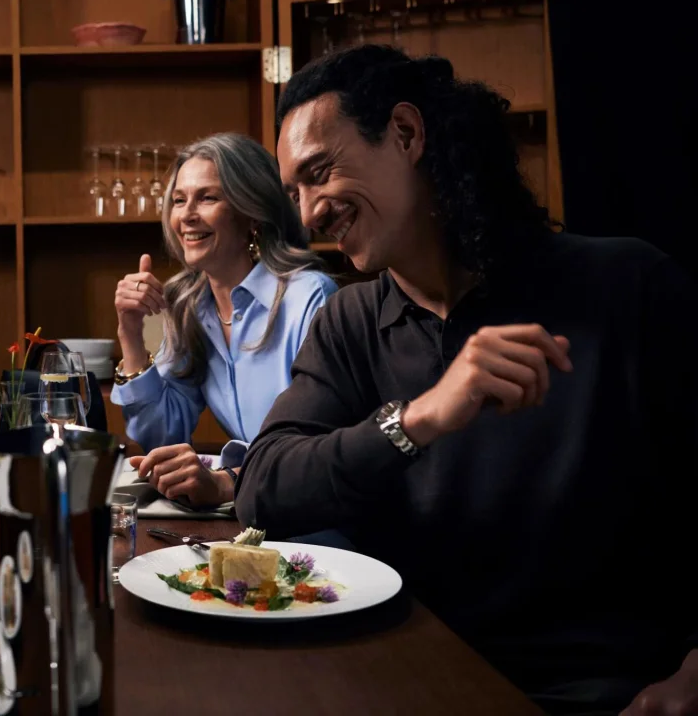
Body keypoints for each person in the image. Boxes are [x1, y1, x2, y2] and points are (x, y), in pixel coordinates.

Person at [240, 44, 698, 715]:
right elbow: (264, 488)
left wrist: (692, 675)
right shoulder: (351, 322)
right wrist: (419, 419)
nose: (308, 216)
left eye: (320, 173)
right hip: (409, 682)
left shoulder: (630, 286)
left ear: (405, 133)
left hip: (603, 695)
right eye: (294, 193)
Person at [111, 133, 337, 509]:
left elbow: (319, 445)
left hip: (316, 519)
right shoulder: (189, 307)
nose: (186, 215)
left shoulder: (309, 297)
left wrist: (227, 480)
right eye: (179, 200)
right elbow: (162, 435)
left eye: (207, 198)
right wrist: (132, 336)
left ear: (252, 212)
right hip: (250, 514)